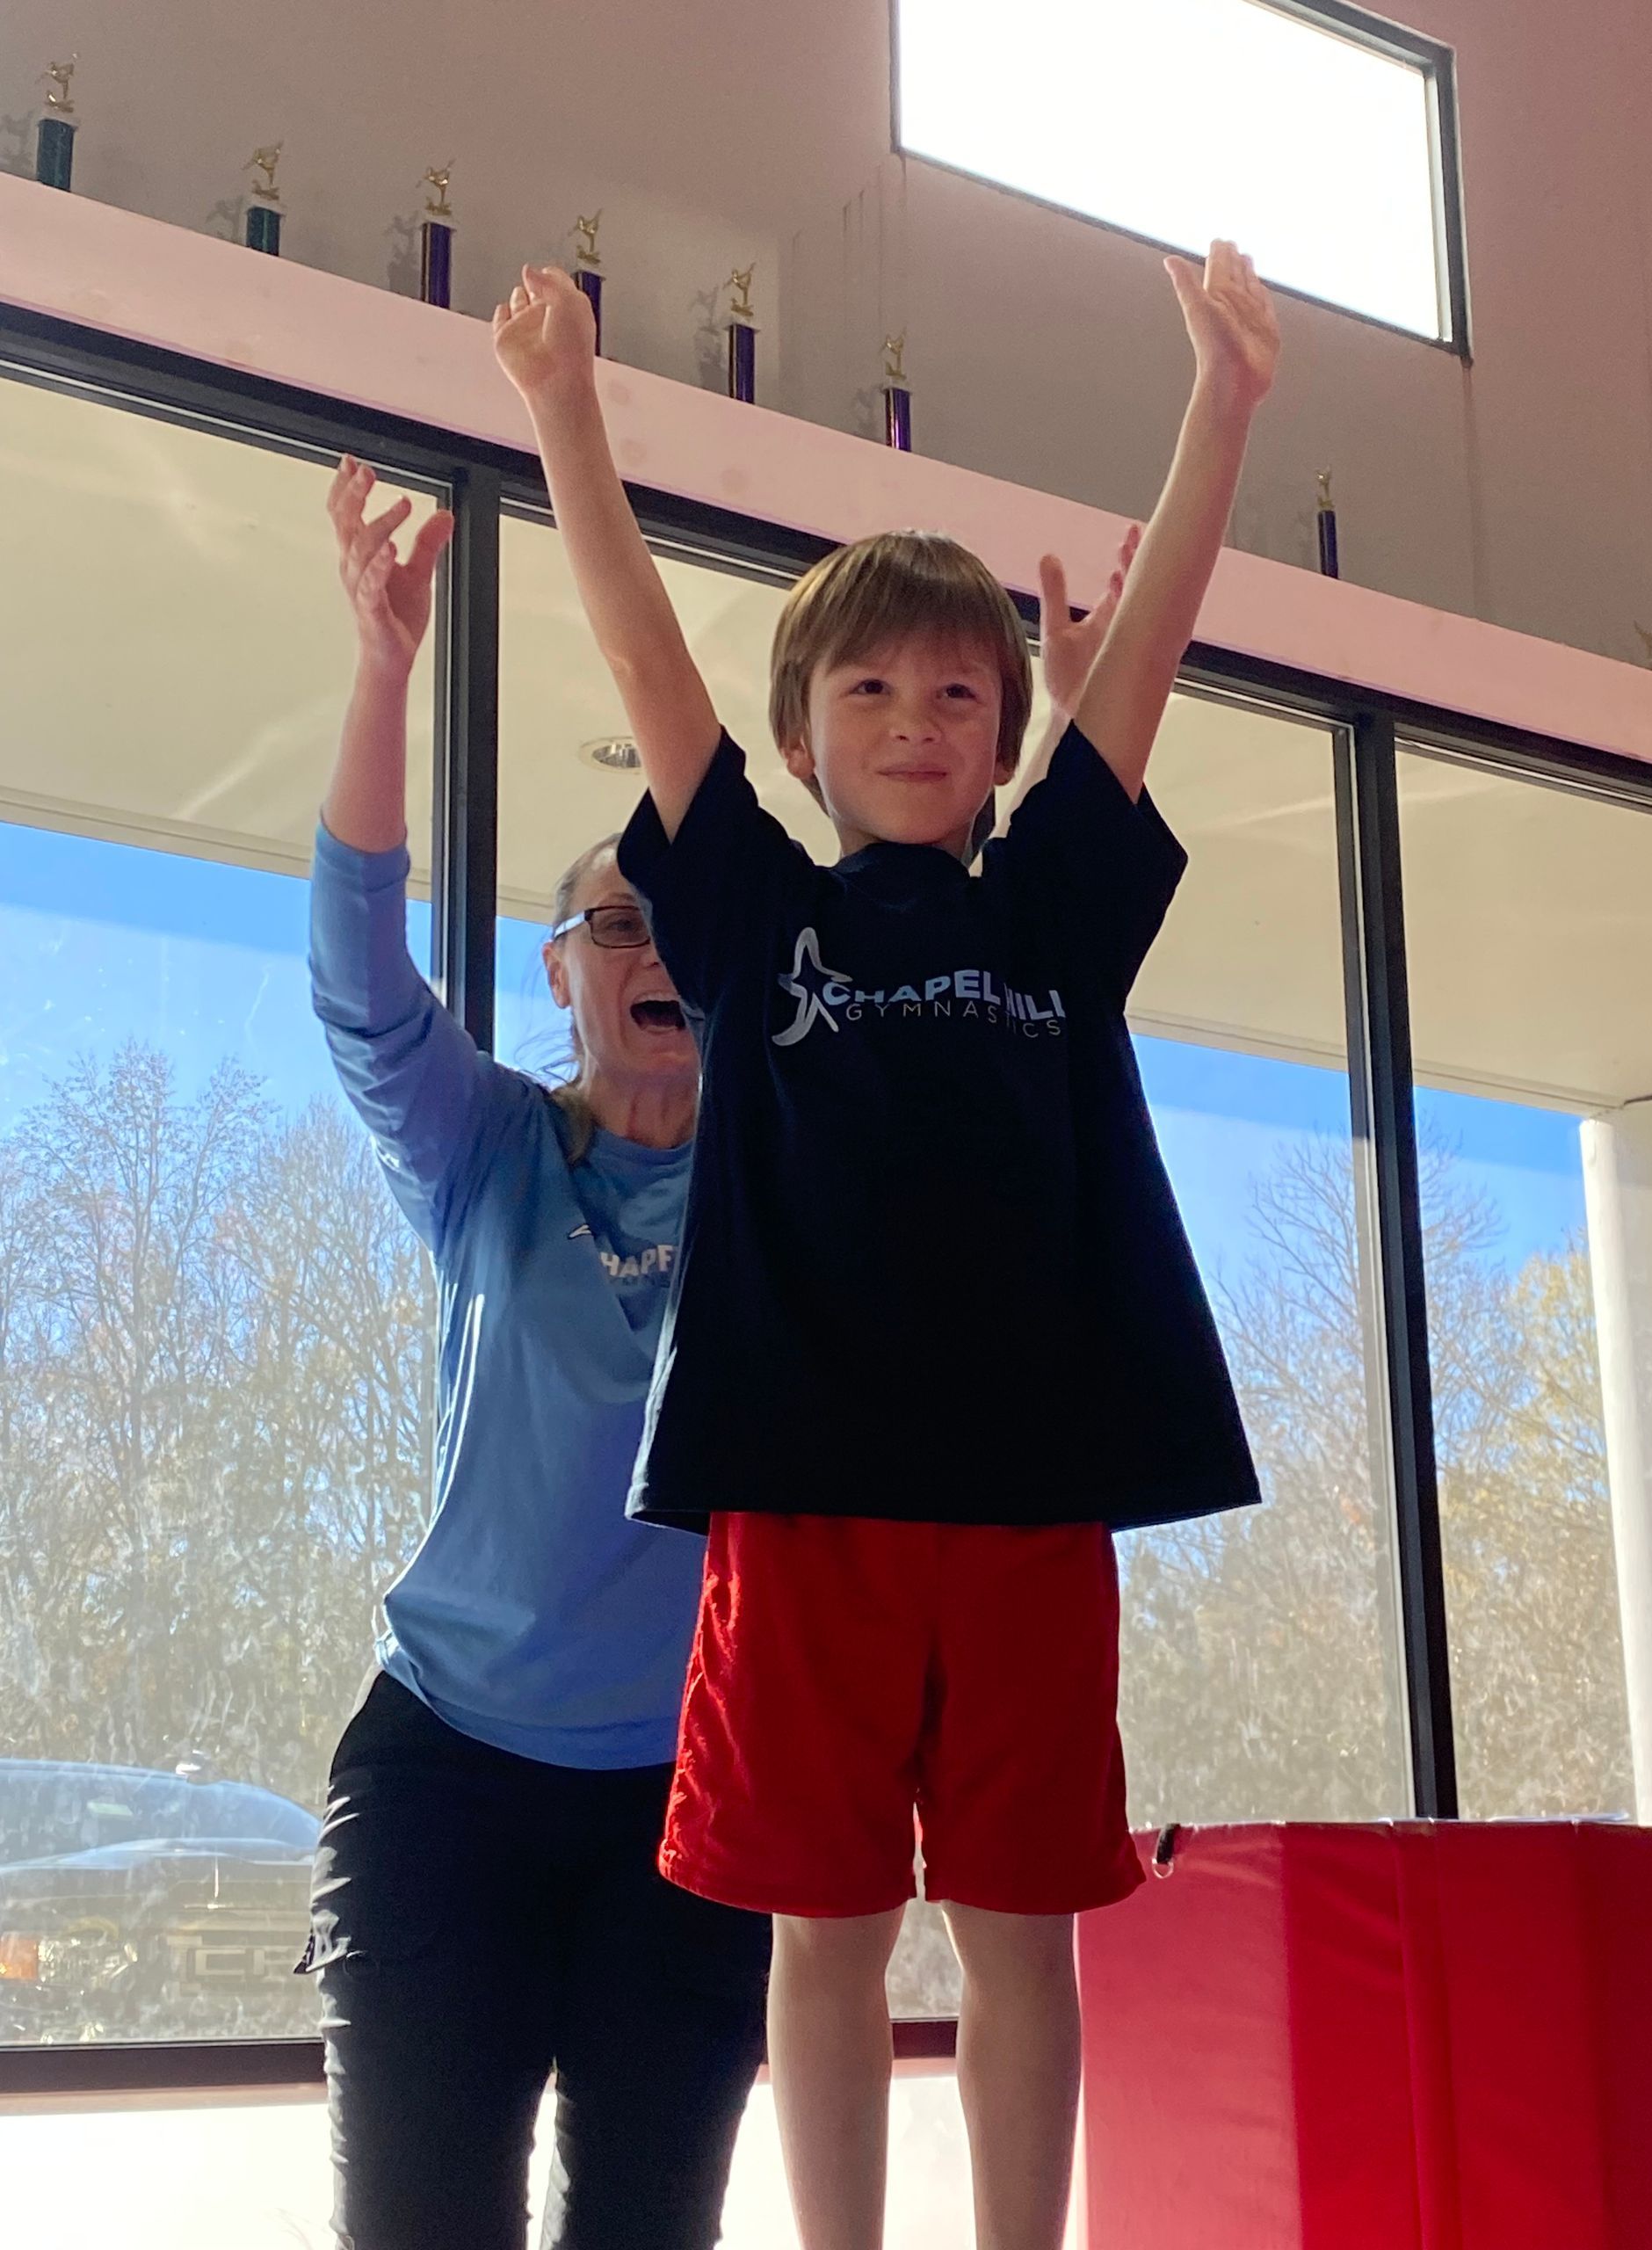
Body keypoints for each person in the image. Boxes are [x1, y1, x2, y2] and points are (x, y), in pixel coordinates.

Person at [494, 240, 1276, 2250]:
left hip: (1025, 1512)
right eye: (868, 686)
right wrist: (570, 417)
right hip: (805, 1512)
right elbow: (650, 661)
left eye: (957, 688)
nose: (915, 714)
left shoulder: (1050, 914)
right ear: (810, 736)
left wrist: (1222, 411)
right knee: (819, 1936)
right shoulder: (759, 910)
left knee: (1027, 1932)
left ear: (1007, 730)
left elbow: (1154, 661)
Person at [300, 455, 770, 2250]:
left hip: (693, 1804)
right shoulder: (490, 1150)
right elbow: (355, 980)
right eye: (613, 916)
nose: (651, 941)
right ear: (561, 972)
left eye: (679, 914)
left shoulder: (785, 1188)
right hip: (445, 1781)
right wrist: (379, 666)